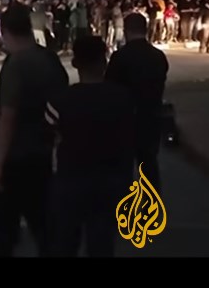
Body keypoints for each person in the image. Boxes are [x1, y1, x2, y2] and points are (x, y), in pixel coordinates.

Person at [0, 5, 69, 257]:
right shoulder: (49, 59)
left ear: (5, 31)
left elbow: (8, 116)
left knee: (1, 232)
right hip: (43, 151)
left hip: (17, 156)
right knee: (44, 226)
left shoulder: (15, 65)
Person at [46, 36, 135, 257]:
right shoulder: (123, 98)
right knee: (102, 242)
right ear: (104, 62)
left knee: (65, 242)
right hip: (110, 178)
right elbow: (129, 139)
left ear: (75, 63)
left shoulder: (59, 101)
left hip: (70, 178)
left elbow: (49, 137)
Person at [105, 13, 169, 191]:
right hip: (151, 116)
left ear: (126, 31)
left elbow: (110, 87)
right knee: (149, 164)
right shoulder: (158, 56)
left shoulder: (120, 57)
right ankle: (151, 202)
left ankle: (124, 204)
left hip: (125, 119)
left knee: (123, 168)